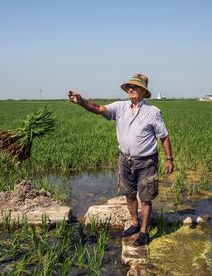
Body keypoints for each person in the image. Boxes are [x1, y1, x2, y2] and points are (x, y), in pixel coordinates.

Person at [68, 73, 173, 246]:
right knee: (129, 194)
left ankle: (144, 232)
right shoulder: (120, 107)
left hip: (146, 162)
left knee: (145, 198)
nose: (131, 89)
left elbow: (164, 136)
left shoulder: (153, 112)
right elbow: (99, 109)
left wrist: (169, 159)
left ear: (143, 91)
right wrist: (81, 101)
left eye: (135, 87)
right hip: (125, 160)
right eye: (129, 87)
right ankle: (134, 223)